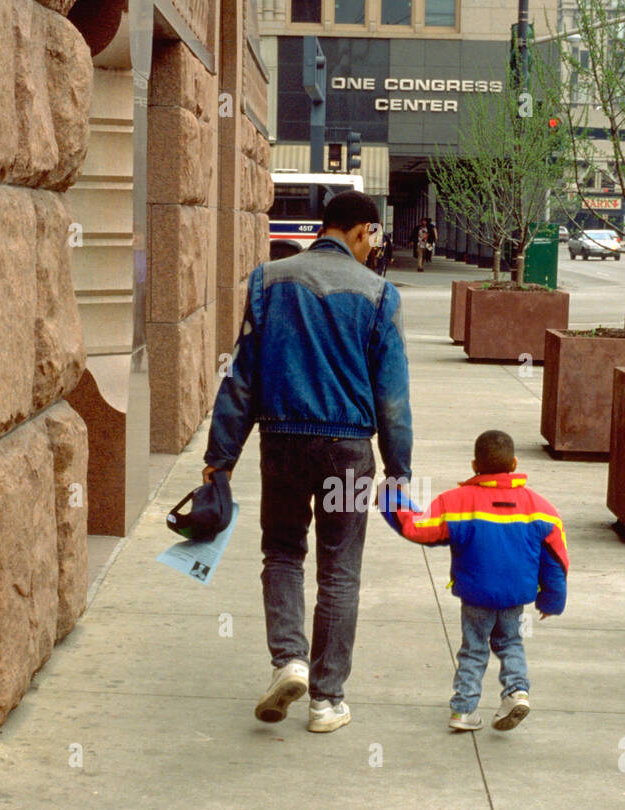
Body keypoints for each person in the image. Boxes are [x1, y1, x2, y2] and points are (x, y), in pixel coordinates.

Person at [203, 192, 413, 734]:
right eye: (376, 237)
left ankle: (288, 661)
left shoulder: (269, 280)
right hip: (347, 450)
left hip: (283, 443)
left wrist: (220, 458)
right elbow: (392, 397)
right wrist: (399, 469)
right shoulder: (379, 294)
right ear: (363, 231)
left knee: (282, 552)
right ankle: (326, 701)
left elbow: (240, 376)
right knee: (340, 570)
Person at [381, 429, 568, 732]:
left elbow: (419, 528)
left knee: (474, 648)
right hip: (514, 596)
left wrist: (391, 498)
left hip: (476, 594)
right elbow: (556, 559)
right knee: (510, 642)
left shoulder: (456, 502)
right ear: (515, 463)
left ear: (473, 466)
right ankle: (516, 692)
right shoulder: (541, 508)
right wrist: (551, 600)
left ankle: (464, 710)